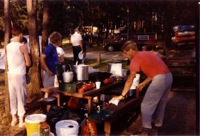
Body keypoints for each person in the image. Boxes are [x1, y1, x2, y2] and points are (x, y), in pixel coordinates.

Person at [110, 40, 172, 135]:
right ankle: (156, 129)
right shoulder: (146, 53)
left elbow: (130, 80)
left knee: (146, 106)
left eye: (126, 53)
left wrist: (122, 95)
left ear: (131, 50)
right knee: (160, 104)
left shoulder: (135, 59)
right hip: (168, 77)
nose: (125, 56)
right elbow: (154, 71)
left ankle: (145, 131)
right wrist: (143, 83)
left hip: (160, 79)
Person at [6, 26, 31, 127]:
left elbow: (7, 62)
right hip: (20, 74)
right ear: (20, 34)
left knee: (13, 96)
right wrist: (22, 64)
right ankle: (21, 120)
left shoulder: (8, 46)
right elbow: (28, 63)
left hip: (10, 74)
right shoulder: (22, 46)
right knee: (21, 96)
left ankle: (13, 118)